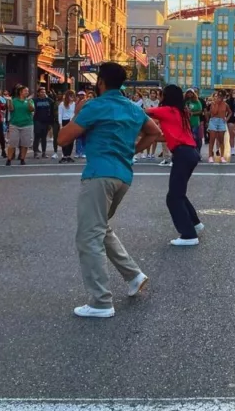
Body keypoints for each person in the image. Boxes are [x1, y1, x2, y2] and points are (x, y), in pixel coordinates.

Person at [57, 62, 161, 318]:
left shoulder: (95, 106)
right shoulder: (131, 107)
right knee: (101, 228)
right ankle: (133, 275)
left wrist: (78, 112)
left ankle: (100, 301)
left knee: (88, 237)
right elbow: (155, 132)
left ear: (100, 81)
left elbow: (62, 139)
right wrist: (131, 151)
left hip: (98, 174)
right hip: (123, 175)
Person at [145, 84, 203, 246]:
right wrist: (150, 139)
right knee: (179, 193)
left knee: (173, 197)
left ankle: (188, 235)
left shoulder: (167, 111)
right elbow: (171, 136)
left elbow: (142, 112)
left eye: (162, 94)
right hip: (190, 153)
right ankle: (195, 224)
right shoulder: (181, 112)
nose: (160, 97)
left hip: (183, 154)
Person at [6, 86, 35, 166]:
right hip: (15, 124)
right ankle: (9, 159)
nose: (27, 92)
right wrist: (9, 101)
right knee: (12, 143)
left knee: (25, 143)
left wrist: (29, 101)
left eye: (27, 91)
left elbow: (31, 109)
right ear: (20, 92)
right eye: (25, 91)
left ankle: (22, 159)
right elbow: (11, 109)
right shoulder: (14, 100)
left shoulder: (30, 100)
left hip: (27, 124)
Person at [32, 87, 53, 159]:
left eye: (44, 92)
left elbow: (53, 107)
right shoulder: (35, 100)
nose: (43, 93)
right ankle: (35, 152)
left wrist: (51, 121)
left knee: (44, 138)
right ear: (38, 93)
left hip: (46, 121)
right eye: (41, 92)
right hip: (37, 120)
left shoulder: (49, 100)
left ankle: (44, 152)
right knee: (37, 137)